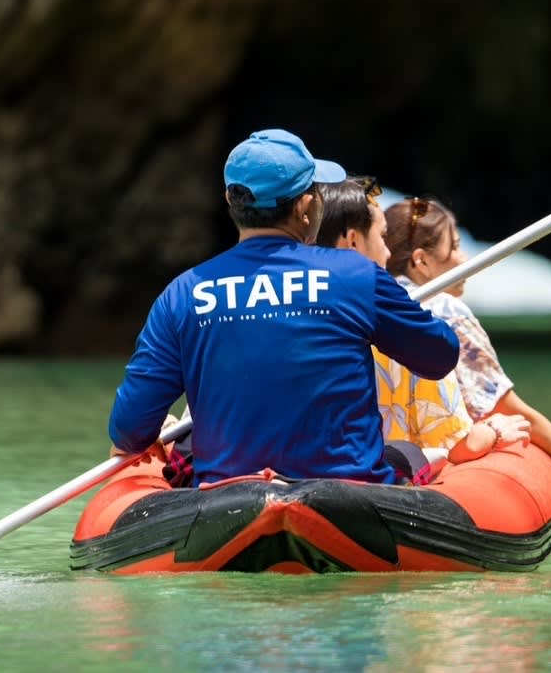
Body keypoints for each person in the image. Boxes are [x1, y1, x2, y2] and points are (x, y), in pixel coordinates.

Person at [107, 130, 460, 486]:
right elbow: (440, 355)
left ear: (230, 200)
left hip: (226, 494)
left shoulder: (181, 295)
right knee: (407, 453)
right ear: (305, 207)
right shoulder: (357, 275)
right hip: (349, 494)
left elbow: (129, 429)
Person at [384, 195, 551, 520]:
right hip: (432, 467)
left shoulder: (363, 304)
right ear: (421, 262)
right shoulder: (445, 309)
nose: (464, 258)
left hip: (375, 462)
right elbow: (503, 407)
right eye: (455, 247)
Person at [314, 177, 531, 466]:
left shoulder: (284, 308)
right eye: (381, 237)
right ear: (353, 242)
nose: (387, 252)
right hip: (376, 471)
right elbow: (455, 446)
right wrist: (493, 431)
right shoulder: (428, 314)